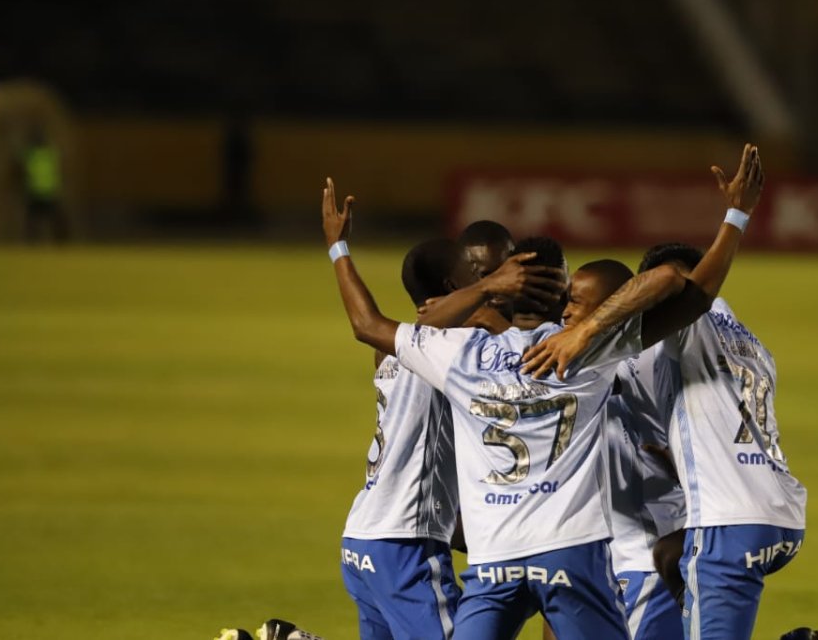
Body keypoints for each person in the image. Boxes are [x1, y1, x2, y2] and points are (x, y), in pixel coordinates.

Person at [319, 142, 762, 640]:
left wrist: (338, 247)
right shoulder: (589, 353)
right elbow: (677, 284)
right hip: (570, 552)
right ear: (562, 295)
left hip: (494, 560)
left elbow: (368, 325)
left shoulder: (457, 354)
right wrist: (736, 216)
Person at [521, 149, 808, 639]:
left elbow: (670, 285)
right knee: (671, 558)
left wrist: (586, 330)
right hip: (775, 513)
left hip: (723, 521)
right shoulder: (750, 346)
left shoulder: (676, 332)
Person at [339, 238, 566, 640]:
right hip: (406, 541)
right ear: (454, 285)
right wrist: (494, 314)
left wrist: (337, 246)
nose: (493, 283)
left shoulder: (394, 348)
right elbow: (530, 374)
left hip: (362, 537)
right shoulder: (448, 346)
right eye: (477, 275)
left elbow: (374, 326)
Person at [563, 260, 686, 640]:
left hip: (646, 555)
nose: (565, 312)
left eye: (576, 302)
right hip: (615, 558)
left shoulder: (639, 360)